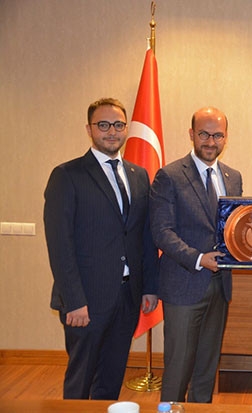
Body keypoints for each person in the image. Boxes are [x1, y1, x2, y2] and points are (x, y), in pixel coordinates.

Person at [43, 98, 159, 399]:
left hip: (128, 296)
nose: (112, 131)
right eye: (103, 125)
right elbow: (60, 245)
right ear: (89, 129)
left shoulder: (138, 175)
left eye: (118, 125)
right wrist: (74, 301)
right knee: (80, 381)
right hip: (86, 300)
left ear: (126, 129)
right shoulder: (67, 175)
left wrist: (149, 287)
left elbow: (144, 236)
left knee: (111, 379)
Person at [150, 106, 242, 403]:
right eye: (204, 134)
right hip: (184, 284)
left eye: (218, 135)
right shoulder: (170, 175)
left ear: (226, 137)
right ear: (191, 134)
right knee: (178, 369)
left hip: (220, 287)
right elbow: (162, 231)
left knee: (206, 368)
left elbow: (235, 227)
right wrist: (199, 259)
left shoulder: (233, 177)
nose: (211, 142)